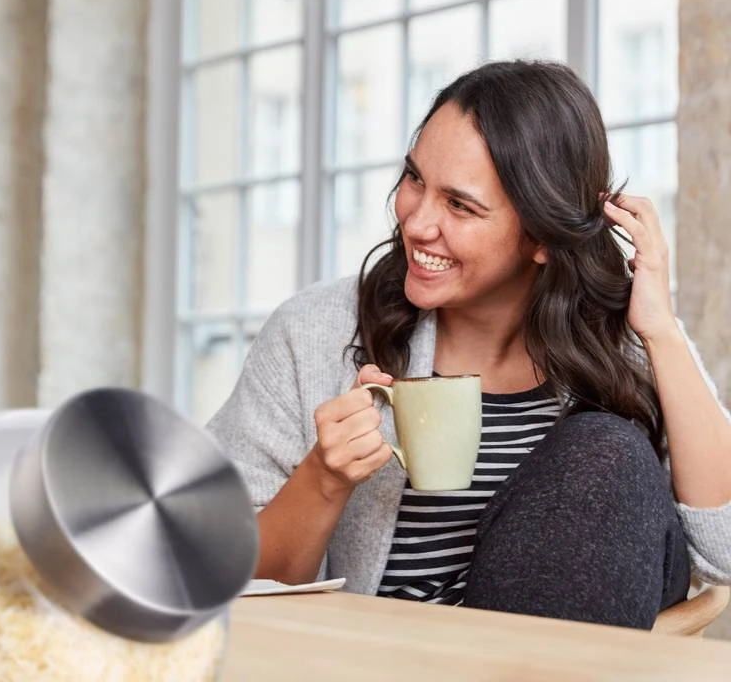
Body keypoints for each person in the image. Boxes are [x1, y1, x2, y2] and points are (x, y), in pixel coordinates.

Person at [207, 60, 731, 629]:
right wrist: (324, 478)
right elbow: (221, 572)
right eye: (414, 179)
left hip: (544, 665)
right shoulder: (315, 332)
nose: (416, 222)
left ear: (541, 238)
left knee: (606, 450)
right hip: (376, 663)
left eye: (459, 205)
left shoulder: (625, 345)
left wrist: (660, 330)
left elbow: (722, 553)